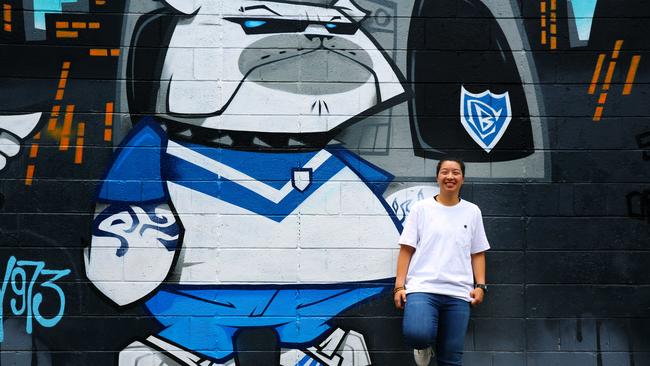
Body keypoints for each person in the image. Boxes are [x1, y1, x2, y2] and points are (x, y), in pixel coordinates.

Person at [394, 158, 490, 366]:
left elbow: (478, 252)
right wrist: (399, 286)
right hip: (423, 287)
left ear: (462, 178)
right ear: (438, 177)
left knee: (451, 359)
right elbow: (406, 248)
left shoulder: (472, 211)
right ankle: (424, 346)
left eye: (455, 172)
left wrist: (480, 285)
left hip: (459, 292)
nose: (450, 176)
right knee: (417, 334)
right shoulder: (421, 209)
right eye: (445, 172)